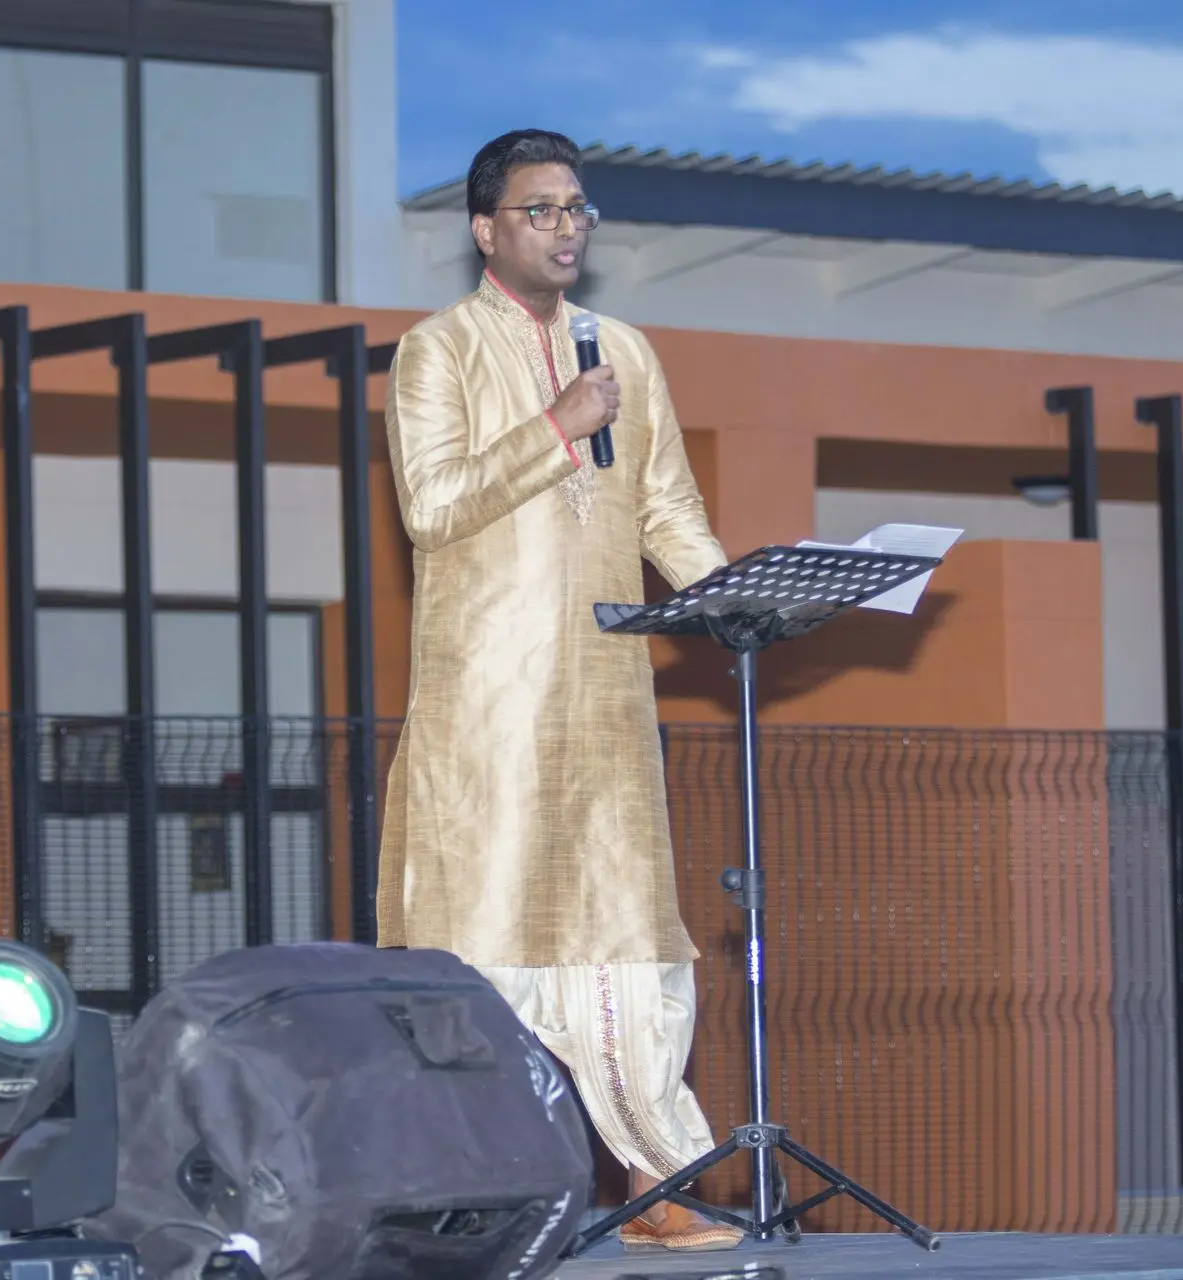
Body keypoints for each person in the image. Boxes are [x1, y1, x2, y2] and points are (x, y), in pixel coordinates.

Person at [376, 129, 742, 1253]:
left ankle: (658, 1184)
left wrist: (732, 597)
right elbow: (431, 507)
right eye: (541, 210)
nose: (567, 227)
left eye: (578, 208)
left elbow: (666, 507)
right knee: (483, 944)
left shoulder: (623, 351)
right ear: (485, 230)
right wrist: (557, 426)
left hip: (608, 703)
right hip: (489, 705)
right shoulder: (436, 351)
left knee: (633, 946)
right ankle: (464, 1201)